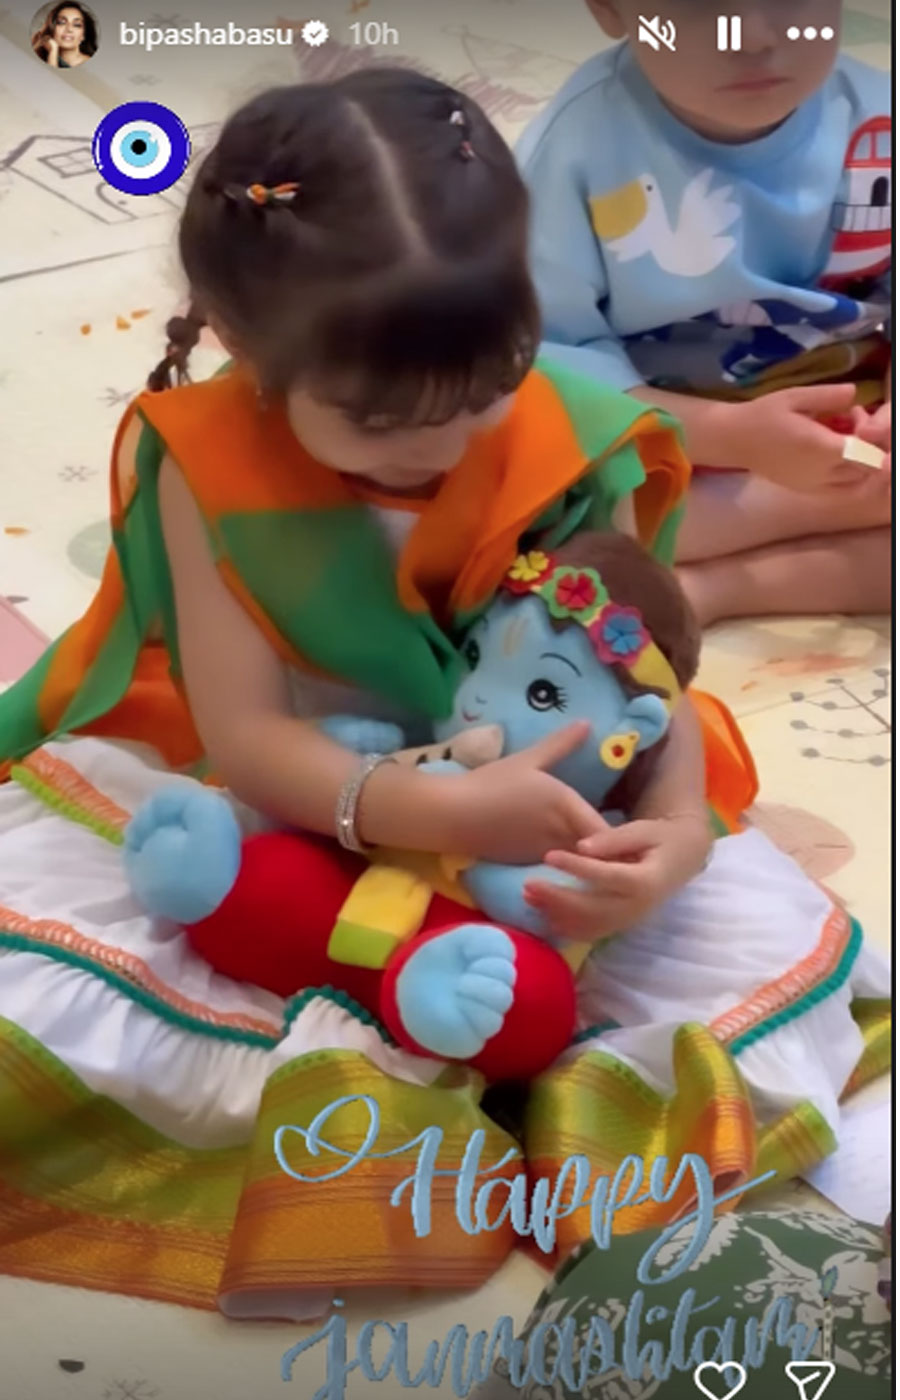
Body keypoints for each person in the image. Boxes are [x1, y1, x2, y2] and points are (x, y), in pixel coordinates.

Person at [0, 70, 887, 1308]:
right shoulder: (207, 464)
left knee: (729, 953)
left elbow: (638, 673)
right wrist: (430, 811)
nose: (445, 444)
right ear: (249, 349)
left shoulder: (563, 435)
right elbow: (247, 732)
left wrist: (677, 832)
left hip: (541, 820)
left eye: (487, 387)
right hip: (307, 788)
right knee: (114, 958)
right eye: (380, 420)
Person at [519, 0, 892, 625]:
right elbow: (552, 355)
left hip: (848, 414)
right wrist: (731, 436)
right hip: (669, 439)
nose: (750, 36)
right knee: (551, 513)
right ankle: (844, 505)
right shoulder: (572, 151)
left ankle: (710, 591)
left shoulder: (879, 116)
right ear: (608, 9)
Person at [32, 2, 98, 68]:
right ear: (51, 28)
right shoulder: (40, 58)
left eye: (77, 25)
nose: (69, 29)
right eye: (61, 23)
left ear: (83, 35)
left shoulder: (94, 65)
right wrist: (53, 51)